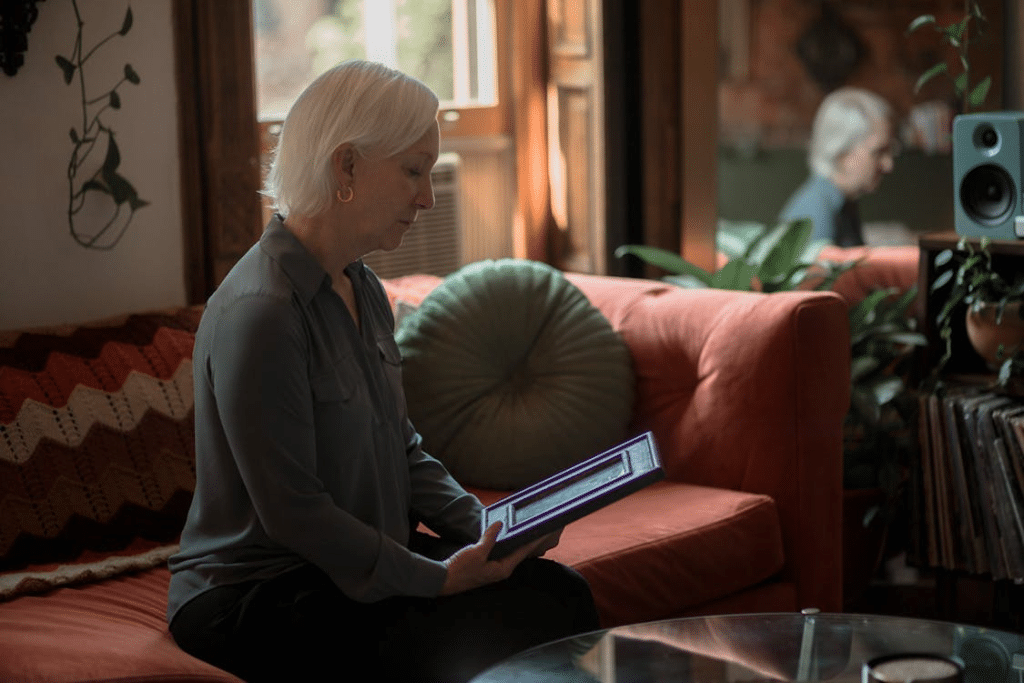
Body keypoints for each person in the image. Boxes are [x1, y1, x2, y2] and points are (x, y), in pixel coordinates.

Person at [166, 59, 600, 683]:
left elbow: (403, 451)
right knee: (469, 637)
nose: (426, 196)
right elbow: (295, 515)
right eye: (412, 171)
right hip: (258, 591)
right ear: (345, 166)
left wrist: (490, 528)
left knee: (559, 595)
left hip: (352, 566)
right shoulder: (262, 314)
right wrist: (437, 579)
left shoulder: (362, 287)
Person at [779, 87, 898, 247]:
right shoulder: (815, 215)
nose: (888, 165)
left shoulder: (841, 204)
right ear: (842, 152)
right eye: (878, 152)